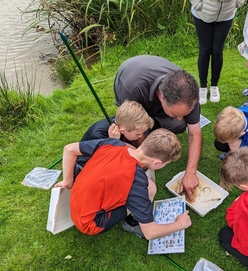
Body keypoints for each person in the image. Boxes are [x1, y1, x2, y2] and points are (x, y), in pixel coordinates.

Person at [54, 128, 192, 240]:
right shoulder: (136, 182)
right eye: (166, 164)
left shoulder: (113, 143)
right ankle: (131, 223)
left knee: (145, 186)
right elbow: (151, 233)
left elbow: (69, 149)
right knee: (150, 189)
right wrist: (179, 224)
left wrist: (68, 180)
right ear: (156, 163)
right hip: (90, 223)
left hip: (76, 202)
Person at [114, 55, 202, 202]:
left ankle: (156, 125)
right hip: (130, 79)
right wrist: (145, 156)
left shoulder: (189, 95)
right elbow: (135, 127)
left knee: (178, 126)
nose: (181, 118)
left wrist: (191, 172)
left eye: (183, 114)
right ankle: (152, 126)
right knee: (133, 132)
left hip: (151, 93)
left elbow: (195, 134)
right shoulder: (132, 89)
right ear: (161, 98)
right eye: (175, 113)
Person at [74, 100, 154, 177]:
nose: (140, 136)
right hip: (87, 166)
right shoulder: (98, 135)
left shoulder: (124, 121)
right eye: (138, 134)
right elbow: (107, 161)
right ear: (122, 131)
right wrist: (114, 142)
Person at [190, 0, 247, 105]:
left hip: (226, 14)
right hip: (203, 13)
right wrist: (199, 5)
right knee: (205, 50)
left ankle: (214, 86)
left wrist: (238, 3)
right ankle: (202, 87)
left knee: (217, 51)